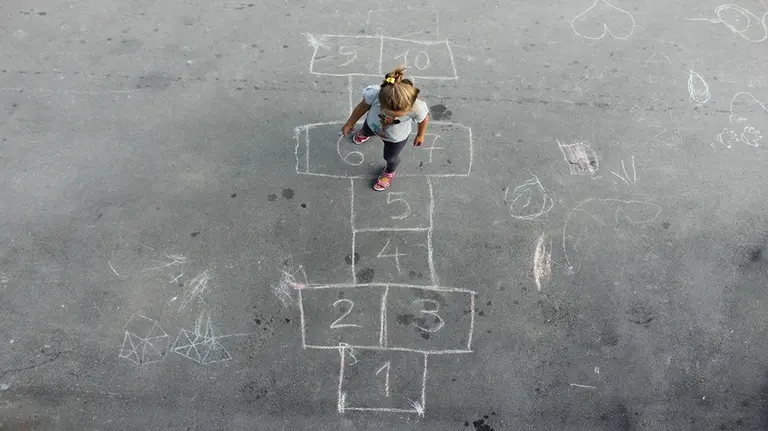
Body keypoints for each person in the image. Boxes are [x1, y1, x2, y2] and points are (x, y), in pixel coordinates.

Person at [341, 65, 429, 191]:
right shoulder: (376, 94)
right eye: (387, 113)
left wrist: (421, 134)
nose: (390, 117)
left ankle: (389, 172)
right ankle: (364, 133)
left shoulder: (417, 108)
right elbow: (361, 108)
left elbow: (423, 119)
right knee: (366, 130)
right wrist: (350, 123)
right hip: (373, 125)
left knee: (391, 157)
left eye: (397, 116)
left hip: (396, 137)